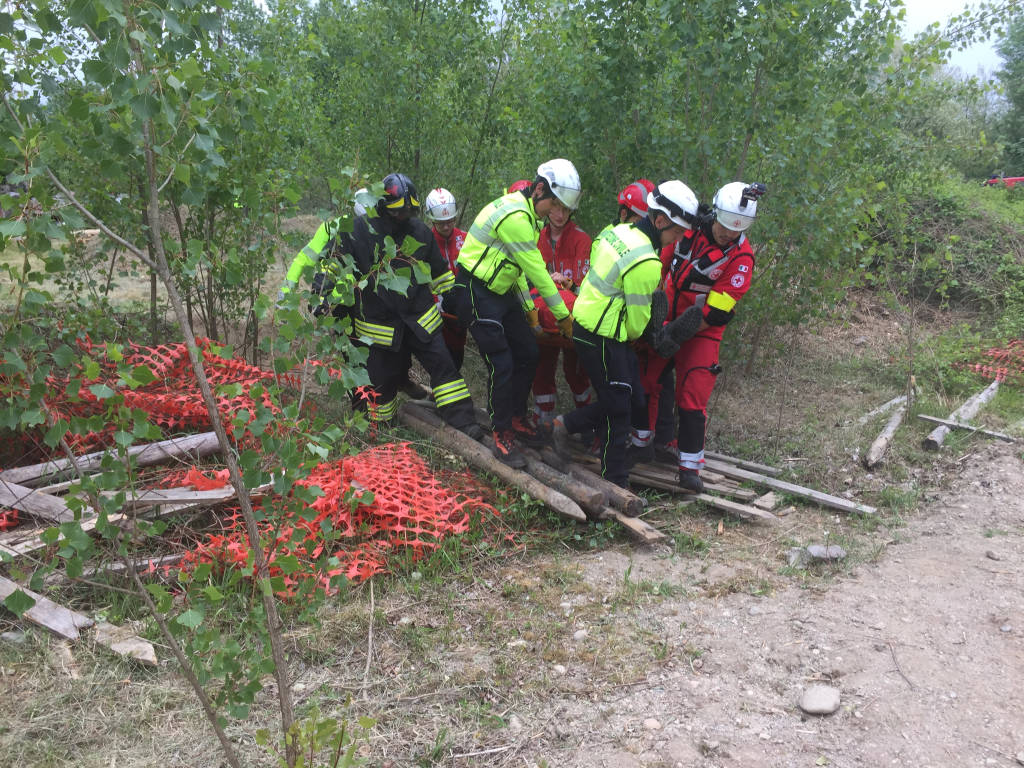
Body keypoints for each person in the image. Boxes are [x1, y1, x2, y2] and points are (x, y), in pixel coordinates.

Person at [298, 173, 482, 437]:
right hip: (379, 328)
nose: (405, 215)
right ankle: (382, 430)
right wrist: (322, 292)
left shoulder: (419, 232)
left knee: (446, 371)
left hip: (421, 321)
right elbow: (332, 265)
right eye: (399, 211)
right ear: (382, 206)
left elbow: (440, 274)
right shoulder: (357, 230)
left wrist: (459, 301)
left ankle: (464, 423)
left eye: (410, 210)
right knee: (381, 386)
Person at [550, 180, 700, 489]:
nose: (678, 239)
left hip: (585, 324)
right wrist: (656, 332)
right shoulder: (646, 262)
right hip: (604, 336)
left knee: (626, 394)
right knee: (619, 408)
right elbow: (635, 325)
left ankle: (563, 425)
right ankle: (615, 482)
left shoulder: (615, 232)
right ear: (659, 221)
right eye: (675, 232)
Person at [452, 159, 581, 467]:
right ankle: (501, 431)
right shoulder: (516, 217)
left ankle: (518, 417)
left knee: (528, 351)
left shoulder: (529, 215)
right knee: (503, 363)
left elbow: (519, 269)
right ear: (539, 190)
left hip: (500, 290)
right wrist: (564, 317)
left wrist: (529, 311)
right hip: (475, 289)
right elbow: (537, 271)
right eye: (554, 203)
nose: (555, 212)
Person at [653, 181, 766, 493]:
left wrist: (676, 335)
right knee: (650, 381)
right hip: (667, 318)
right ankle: (646, 442)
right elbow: (660, 265)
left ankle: (689, 467)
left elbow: (716, 312)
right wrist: (655, 319)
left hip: (702, 332)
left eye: (735, 231)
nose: (727, 235)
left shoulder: (741, 259)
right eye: (724, 227)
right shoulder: (687, 230)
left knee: (693, 394)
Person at [531, 189, 593, 423]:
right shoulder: (538, 238)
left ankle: (584, 422)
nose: (559, 214)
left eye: (565, 209)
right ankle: (543, 418)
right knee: (543, 365)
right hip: (545, 317)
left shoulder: (581, 240)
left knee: (576, 371)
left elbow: (584, 285)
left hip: (572, 317)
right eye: (555, 207)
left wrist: (566, 283)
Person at [424, 187, 468, 371]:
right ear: (432, 219)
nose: (446, 226)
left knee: (457, 353)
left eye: (449, 221)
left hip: (460, 309)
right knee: (440, 357)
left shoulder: (466, 239)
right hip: (435, 311)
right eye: (441, 222)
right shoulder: (424, 241)